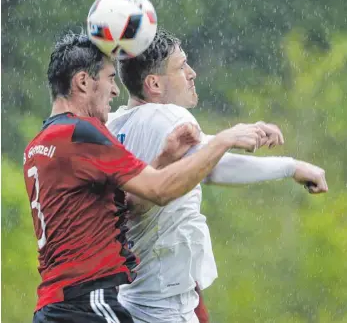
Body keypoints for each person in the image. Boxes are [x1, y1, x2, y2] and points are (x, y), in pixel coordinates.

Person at [23, 32, 272, 323]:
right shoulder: (82, 133)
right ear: (82, 82)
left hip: (54, 305)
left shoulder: (37, 146)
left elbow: (122, 207)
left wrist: (163, 159)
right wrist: (223, 140)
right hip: (88, 303)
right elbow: (161, 191)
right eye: (108, 78)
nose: (115, 91)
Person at [106, 28, 328, 323]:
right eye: (181, 66)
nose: (192, 72)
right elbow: (214, 166)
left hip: (128, 299)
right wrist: (290, 166)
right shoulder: (172, 117)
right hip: (163, 306)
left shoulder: (113, 124)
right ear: (154, 84)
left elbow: (200, 162)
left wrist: (241, 136)